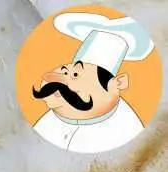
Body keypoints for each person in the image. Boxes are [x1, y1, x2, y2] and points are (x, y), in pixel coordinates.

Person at [32, 12, 156, 153]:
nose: (59, 79)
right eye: (64, 70)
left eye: (76, 75)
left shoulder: (124, 131)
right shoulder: (50, 120)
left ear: (118, 84)